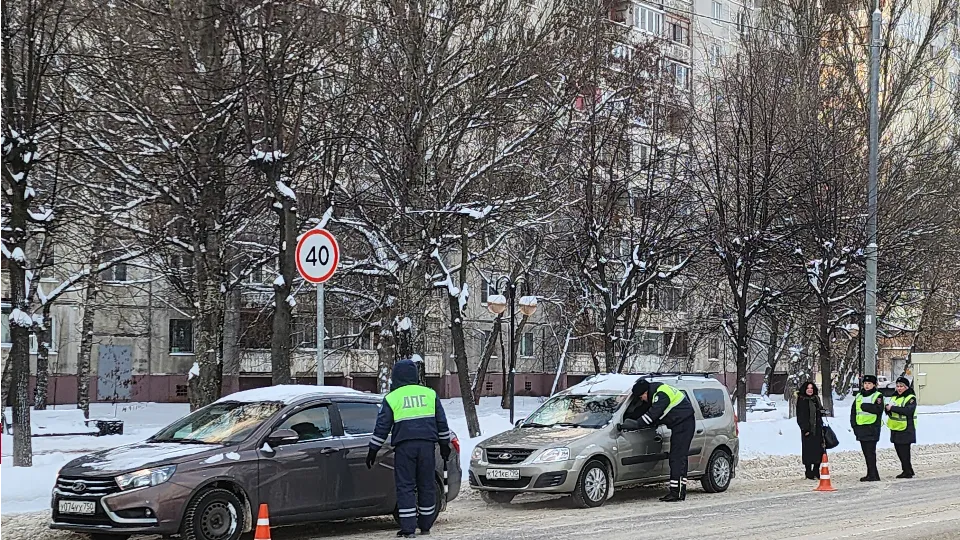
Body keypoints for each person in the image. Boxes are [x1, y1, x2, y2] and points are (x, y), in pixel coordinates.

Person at [367, 359, 452, 538]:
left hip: (405, 448)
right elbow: (442, 423)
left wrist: (373, 449)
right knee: (426, 484)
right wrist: (445, 445)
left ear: (396, 376)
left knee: (406, 486)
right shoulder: (429, 394)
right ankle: (426, 525)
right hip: (427, 447)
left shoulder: (392, 398)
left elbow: (382, 426)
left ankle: (408, 528)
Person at [626, 378, 696, 502]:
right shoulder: (656, 391)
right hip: (681, 424)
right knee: (678, 458)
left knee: (677, 458)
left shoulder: (661, 395)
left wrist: (636, 424)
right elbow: (644, 410)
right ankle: (679, 491)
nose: (642, 399)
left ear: (645, 392)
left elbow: (652, 415)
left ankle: (676, 493)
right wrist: (629, 417)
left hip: (684, 424)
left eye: (641, 397)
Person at [850, 375, 884, 481]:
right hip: (861, 428)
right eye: (865, 383)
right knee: (866, 453)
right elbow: (854, 412)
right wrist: (854, 425)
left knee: (870, 453)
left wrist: (865, 406)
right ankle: (872, 473)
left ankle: (873, 474)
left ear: (874, 385)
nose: (867, 385)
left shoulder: (878, 396)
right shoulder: (859, 396)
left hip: (872, 428)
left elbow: (879, 409)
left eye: (869, 383)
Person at [885, 376, 917, 479]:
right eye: (897, 386)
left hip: (906, 428)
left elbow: (908, 411)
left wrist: (892, 408)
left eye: (901, 386)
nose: (899, 388)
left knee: (904, 451)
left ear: (906, 387)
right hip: (895, 427)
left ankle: (907, 471)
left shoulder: (910, 398)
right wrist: (887, 409)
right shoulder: (894, 397)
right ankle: (908, 469)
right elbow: (891, 409)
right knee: (899, 450)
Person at [796, 381, 825, 480]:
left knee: (819, 450)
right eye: (808, 388)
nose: (810, 390)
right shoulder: (802, 400)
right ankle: (808, 471)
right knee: (808, 451)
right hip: (807, 430)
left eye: (811, 388)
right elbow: (800, 416)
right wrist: (805, 429)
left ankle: (816, 470)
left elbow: (819, 411)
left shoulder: (816, 399)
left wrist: (822, 412)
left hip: (818, 429)